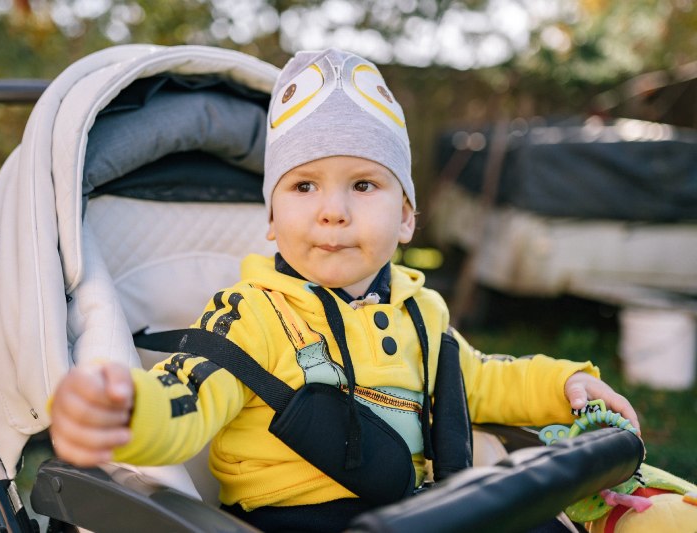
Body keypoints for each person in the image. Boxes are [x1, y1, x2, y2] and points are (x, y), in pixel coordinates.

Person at [49, 48, 639, 532]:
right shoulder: (251, 317)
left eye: (363, 184)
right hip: (291, 521)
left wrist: (564, 383)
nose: (333, 211)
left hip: (416, 513)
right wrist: (127, 409)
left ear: (406, 217)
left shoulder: (420, 315)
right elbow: (188, 396)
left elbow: (480, 380)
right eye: (303, 186)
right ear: (271, 221)